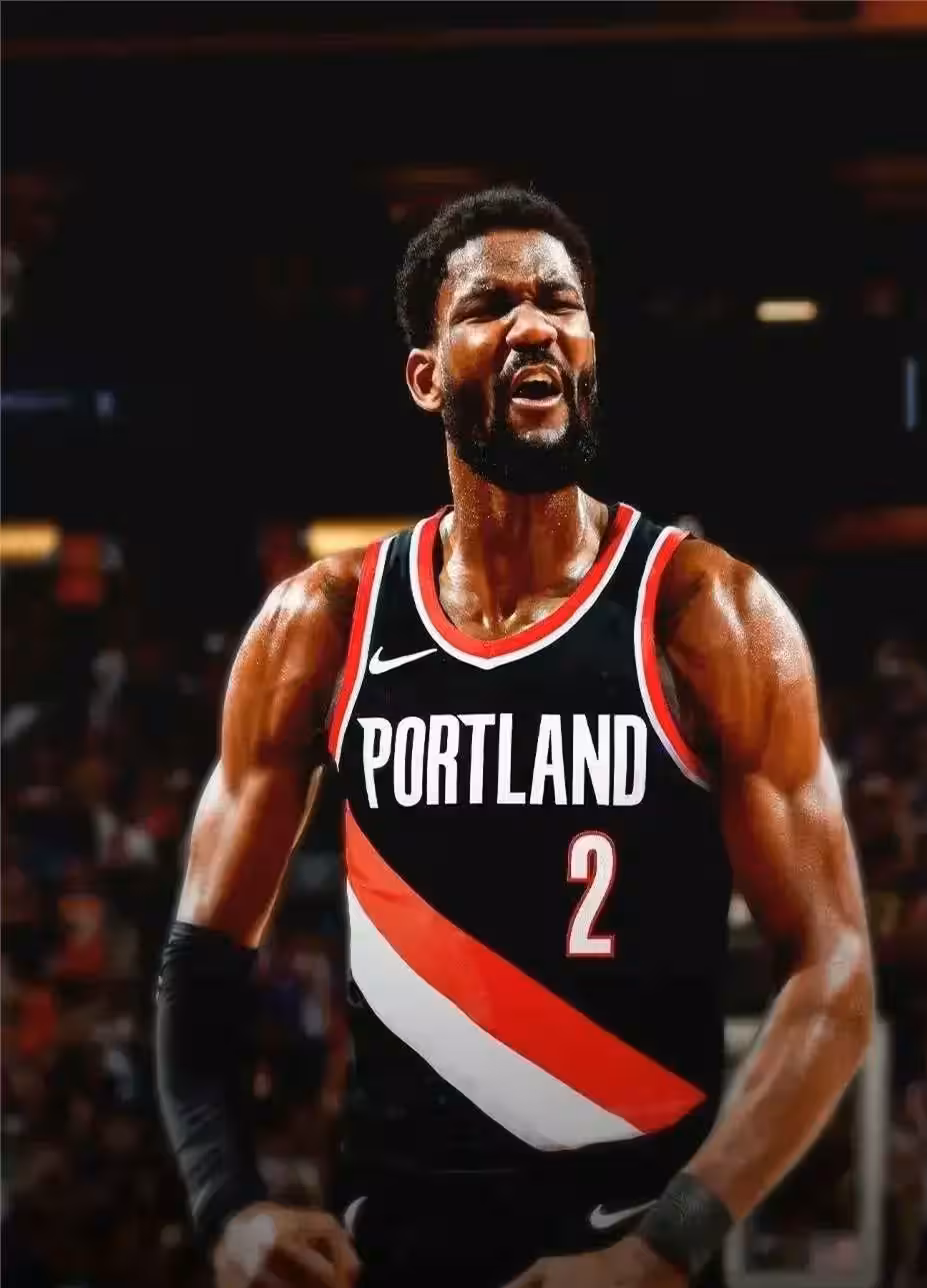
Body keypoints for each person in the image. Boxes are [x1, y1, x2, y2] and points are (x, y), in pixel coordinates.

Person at [155, 186, 876, 1288]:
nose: (535, 324)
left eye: (560, 302)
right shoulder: (327, 622)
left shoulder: (704, 612)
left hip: (628, 1243)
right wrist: (228, 1207)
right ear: (425, 376)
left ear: (589, 351)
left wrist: (662, 1249)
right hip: (391, 1250)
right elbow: (200, 963)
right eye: (491, 305)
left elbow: (835, 971)